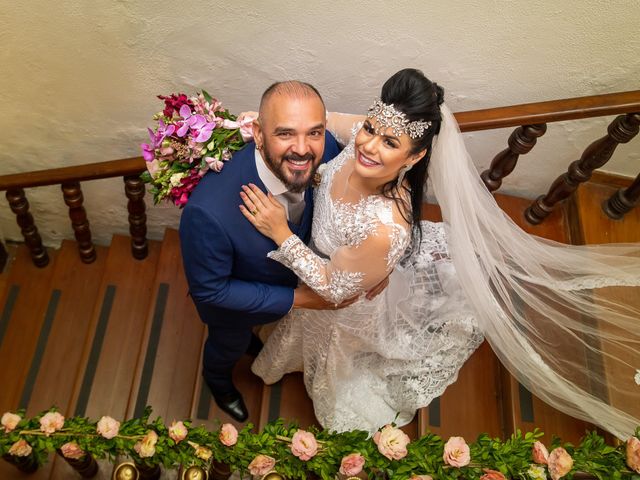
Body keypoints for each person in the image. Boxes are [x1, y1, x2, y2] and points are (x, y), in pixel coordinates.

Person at [241, 68, 640, 437]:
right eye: (371, 128)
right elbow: (324, 121)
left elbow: (332, 289)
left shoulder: (383, 228)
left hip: (340, 306)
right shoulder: (360, 137)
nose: (368, 145)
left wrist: (281, 234)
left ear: (413, 157)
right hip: (340, 268)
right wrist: (262, 128)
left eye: (390, 142)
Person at [179, 81, 345, 422]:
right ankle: (218, 381)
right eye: (285, 134)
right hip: (235, 312)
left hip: (283, 289)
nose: (303, 150)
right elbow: (210, 290)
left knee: (256, 336)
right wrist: (300, 299)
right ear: (257, 133)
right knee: (229, 346)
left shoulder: (326, 148)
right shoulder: (209, 212)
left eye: (313, 132)